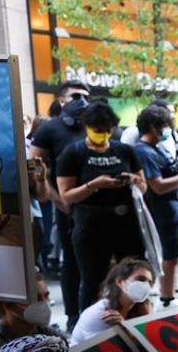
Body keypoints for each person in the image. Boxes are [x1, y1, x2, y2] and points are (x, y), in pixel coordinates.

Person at [54, 99, 147, 310]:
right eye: (98, 131)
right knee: (93, 279)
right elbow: (67, 196)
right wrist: (94, 185)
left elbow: (143, 187)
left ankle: (135, 315)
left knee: (134, 275)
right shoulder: (73, 153)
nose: (103, 135)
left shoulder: (125, 151)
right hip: (90, 225)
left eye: (108, 130)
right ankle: (88, 320)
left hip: (127, 223)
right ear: (87, 127)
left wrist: (134, 180)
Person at [30, 79, 90, 328]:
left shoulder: (95, 125)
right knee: (72, 264)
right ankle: (73, 317)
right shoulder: (49, 129)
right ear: (62, 100)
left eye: (85, 96)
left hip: (96, 210)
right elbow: (34, 166)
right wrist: (58, 199)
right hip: (67, 209)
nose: (82, 101)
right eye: (76, 96)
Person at [131, 104, 178, 307]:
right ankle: (166, 298)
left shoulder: (155, 149)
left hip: (172, 211)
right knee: (167, 257)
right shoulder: (144, 152)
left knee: (173, 257)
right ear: (153, 126)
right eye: (165, 125)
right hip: (162, 213)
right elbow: (157, 186)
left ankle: (169, 296)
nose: (167, 130)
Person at [70, 258, 155, 345]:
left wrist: (149, 319)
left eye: (150, 282)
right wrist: (127, 328)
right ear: (120, 281)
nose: (146, 286)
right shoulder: (101, 314)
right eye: (141, 279)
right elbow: (108, 350)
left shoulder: (142, 309)